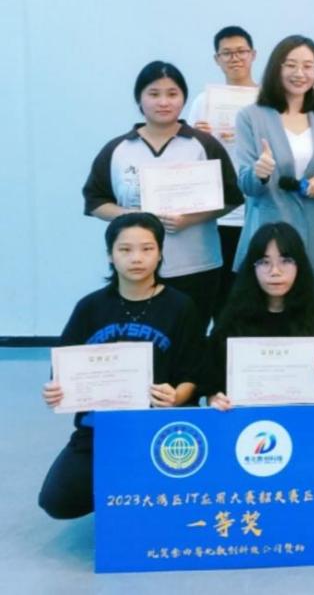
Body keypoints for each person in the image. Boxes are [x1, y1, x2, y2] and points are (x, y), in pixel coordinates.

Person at [39, 213, 204, 519]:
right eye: (125, 249)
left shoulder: (181, 307)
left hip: (161, 429)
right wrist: (55, 391)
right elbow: (62, 370)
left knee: (170, 503)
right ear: (110, 255)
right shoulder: (90, 307)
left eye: (147, 248)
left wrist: (177, 396)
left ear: (160, 253)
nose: (136, 258)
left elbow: (193, 372)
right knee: (58, 501)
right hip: (100, 429)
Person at [83, 61, 243, 334]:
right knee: (143, 337)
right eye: (154, 94)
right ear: (139, 99)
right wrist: (133, 217)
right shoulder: (118, 149)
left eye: (172, 93)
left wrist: (190, 219)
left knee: (191, 337)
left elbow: (231, 198)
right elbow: (95, 201)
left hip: (196, 265)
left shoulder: (204, 144)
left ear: (184, 98)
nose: (164, 102)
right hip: (136, 268)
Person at [235, 35, 314, 311]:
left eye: (308, 66)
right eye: (291, 65)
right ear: (276, 68)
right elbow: (246, 183)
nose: (300, 73)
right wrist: (259, 173)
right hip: (268, 236)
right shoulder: (251, 116)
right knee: (265, 321)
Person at [204, 222, 314, 406]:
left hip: (302, 417)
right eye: (264, 262)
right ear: (252, 267)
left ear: (299, 265)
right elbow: (212, 388)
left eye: (285, 261)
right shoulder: (231, 321)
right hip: (245, 419)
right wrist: (216, 400)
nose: (275, 272)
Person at [186, 25, 258, 314]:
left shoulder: (268, 100)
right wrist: (200, 137)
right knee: (221, 295)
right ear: (217, 59)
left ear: (253, 55)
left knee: (255, 293)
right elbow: (188, 158)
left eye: (241, 51)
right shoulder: (203, 101)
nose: (235, 58)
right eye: (226, 53)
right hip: (219, 212)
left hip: (258, 210)